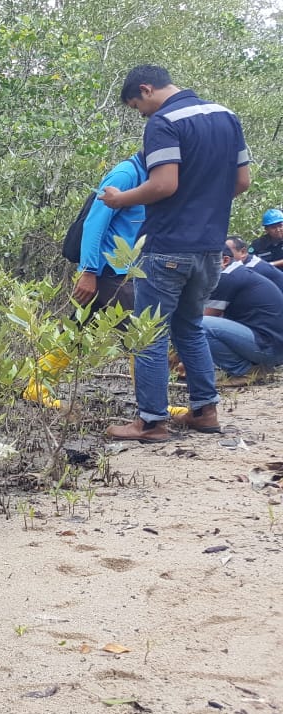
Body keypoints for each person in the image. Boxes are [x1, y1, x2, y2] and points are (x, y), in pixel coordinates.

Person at [99, 65, 251, 442]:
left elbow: (164, 184)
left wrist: (120, 199)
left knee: (149, 335)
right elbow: (242, 181)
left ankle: (151, 422)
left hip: (167, 246)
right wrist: (204, 206)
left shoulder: (164, 122)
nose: (142, 114)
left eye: (138, 105)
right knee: (190, 328)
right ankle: (205, 411)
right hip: (210, 249)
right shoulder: (226, 116)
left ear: (146, 90)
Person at [24, 153, 146, 408]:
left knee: (78, 328)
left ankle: (36, 388)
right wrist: (88, 271)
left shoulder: (148, 177)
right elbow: (94, 224)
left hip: (121, 268)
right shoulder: (125, 175)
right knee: (140, 334)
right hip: (108, 270)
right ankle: (153, 405)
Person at [199, 245, 283, 391]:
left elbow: (200, 322)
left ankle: (244, 371)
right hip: (270, 344)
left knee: (200, 325)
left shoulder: (227, 277)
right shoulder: (239, 273)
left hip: (268, 348)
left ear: (225, 260)